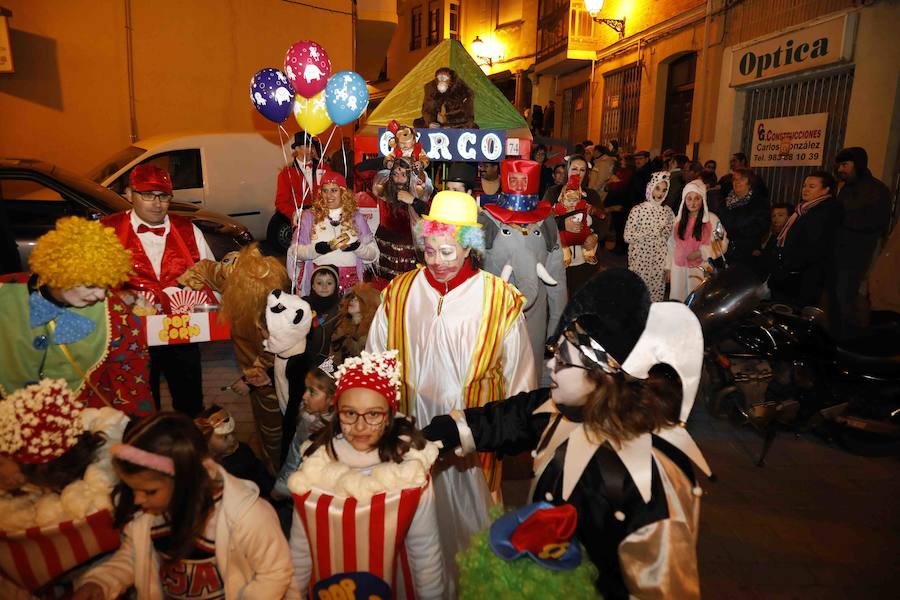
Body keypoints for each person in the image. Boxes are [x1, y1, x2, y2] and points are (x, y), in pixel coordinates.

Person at [424, 268, 710, 599]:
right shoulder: (561, 409)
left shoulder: (651, 474)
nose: (549, 367)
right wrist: (437, 433)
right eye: (553, 353)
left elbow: (664, 587)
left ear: (601, 375)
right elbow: (506, 418)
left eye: (561, 360)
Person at [366, 191, 536, 586]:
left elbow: (521, 375)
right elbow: (376, 359)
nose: (438, 262)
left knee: (473, 523)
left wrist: (510, 432)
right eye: (430, 251)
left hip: (472, 444)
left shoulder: (499, 300)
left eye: (448, 252)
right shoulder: (399, 293)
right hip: (412, 433)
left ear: (469, 247)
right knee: (416, 520)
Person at [73, 412, 295, 599]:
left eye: (149, 491)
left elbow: (275, 573)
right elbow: (135, 556)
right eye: (133, 489)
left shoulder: (249, 517)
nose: (138, 500)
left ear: (186, 479)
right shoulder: (150, 513)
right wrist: (101, 581)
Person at [288, 351, 445, 598]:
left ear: (389, 415)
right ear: (337, 411)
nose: (360, 427)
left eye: (373, 414)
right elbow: (301, 546)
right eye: (350, 413)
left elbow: (425, 552)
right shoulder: (313, 467)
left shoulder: (410, 472)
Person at [0, 217, 153, 416]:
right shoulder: (6, 294)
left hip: (87, 425)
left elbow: (132, 381)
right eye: (91, 285)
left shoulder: (112, 311)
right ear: (63, 274)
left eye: (105, 284)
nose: (100, 295)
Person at [101, 164, 215, 417]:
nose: (157, 203)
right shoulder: (107, 231)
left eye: (163, 196)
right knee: (138, 409)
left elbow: (209, 276)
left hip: (181, 336)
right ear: (129, 194)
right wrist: (121, 297)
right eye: (148, 195)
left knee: (190, 405)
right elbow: (92, 286)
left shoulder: (188, 230)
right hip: (131, 339)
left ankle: (186, 451)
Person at [828, 147, 893, 337]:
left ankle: (848, 338)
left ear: (858, 165)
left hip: (855, 255)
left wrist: (842, 219)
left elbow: (877, 222)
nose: (841, 169)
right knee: (833, 300)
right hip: (835, 253)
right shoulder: (845, 188)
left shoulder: (877, 190)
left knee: (844, 299)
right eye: (839, 165)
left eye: (845, 165)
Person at [287, 170, 378, 296]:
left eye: (334, 190)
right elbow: (294, 252)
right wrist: (316, 250)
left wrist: (357, 247)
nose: (329, 195)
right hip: (319, 284)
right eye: (325, 190)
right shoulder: (309, 217)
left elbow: (373, 254)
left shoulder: (356, 217)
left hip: (349, 285)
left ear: (343, 193)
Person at [768, 172, 840, 307]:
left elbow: (814, 245)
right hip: (793, 272)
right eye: (805, 185)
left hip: (807, 275)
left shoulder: (824, 211)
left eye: (812, 186)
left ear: (826, 190)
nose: (805, 189)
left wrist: (791, 264)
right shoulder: (804, 209)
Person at [272, 364, 336, 500]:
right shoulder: (308, 419)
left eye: (312, 392)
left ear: (332, 399)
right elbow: (294, 454)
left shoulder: (335, 429)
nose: (304, 396)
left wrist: (282, 487)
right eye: (306, 389)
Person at [371, 157, 433, 287]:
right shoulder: (384, 190)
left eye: (404, 174)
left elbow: (431, 215)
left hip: (410, 257)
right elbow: (359, 171)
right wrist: (385, 161)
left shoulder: (420, 192)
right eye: (395, 174)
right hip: (384, 254)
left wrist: (413, 201)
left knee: (407, 293)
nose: (398, 178)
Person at [195, 405, 274, 498]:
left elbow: (260, 474)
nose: (232, 439)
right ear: (206, 441)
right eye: (225, 437)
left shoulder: (243, 452)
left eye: (233, 433)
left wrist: (271, 493)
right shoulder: (204, 467)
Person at [669, 180, 729, 301]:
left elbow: (722, 243)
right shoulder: (677, 221)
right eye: (689, 198)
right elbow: (670, 246)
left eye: (697, 198)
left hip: (701, 270)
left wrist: (702, 252)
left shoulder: (712, 219)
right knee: (679, 303)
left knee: (698, 302)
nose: (693, 202)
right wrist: (668, 268)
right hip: (678, 271)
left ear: (703, 200)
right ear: (684, 200)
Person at [624, 171, 676, 301]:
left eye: (664, 190)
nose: (660, 193)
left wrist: (668, 266)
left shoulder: (668, 212)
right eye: (657, 189)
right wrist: (649, 233)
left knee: (655, 299)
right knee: (637, 297)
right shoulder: (638, 210)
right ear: (651, 187)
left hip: (659, 263)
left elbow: (671, 241)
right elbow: (627, 236)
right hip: (639, 261)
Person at [718, 167, 770, 266]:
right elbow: (718, 223)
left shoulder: (759, 203)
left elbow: (762, 227)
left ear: (750, 183)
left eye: (741, 179)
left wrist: (736, 232)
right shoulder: (725, 202)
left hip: (747, 253)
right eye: (734, 179)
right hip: (725, 252)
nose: (736, 182)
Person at [275, 130, 323, 225]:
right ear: (297, 149)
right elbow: (281, 202)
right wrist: (295, 213)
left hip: (322, 218)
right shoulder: (285, 174)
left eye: (312, 145)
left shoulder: (324, 168)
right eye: (307, 145)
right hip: (301, 222)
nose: (311, 149)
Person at [754, 202, 793, 278]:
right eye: (773, 216)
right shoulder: (774, 235)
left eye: (780, 215)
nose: (776, 219)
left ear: (790, 217)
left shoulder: (791, 237)